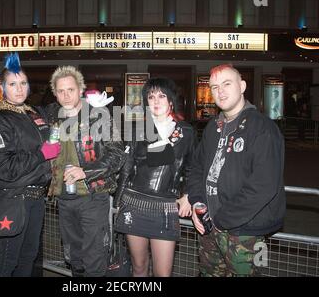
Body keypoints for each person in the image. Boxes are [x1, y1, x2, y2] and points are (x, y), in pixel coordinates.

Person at [187, 64, 285, 277]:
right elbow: (196, 168)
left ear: (242, 86)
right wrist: (197, 204)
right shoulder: (213, 127)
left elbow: (264, 185)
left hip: (247, 232)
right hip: (208, 228)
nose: (219, 91)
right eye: (213, 87)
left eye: (226, 84)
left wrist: (222, 219)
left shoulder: (263, 128)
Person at [0, 52, 61, 276]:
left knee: (28, 258)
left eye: (23, 83)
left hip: (36, 198)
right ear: (3, 88)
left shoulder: (32, 112)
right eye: (13, 84)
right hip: (14, 199)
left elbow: (57, 112)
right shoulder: (0, 120)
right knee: (8, 260)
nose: (19, 88)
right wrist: (41, 154)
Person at [113, 77, 197, 277]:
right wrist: (118, 202)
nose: (156, 101)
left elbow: (193, 168)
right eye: (151, 97)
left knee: (162, 274)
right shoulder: (137, 129)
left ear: (171, 101)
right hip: (134, 203)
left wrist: (188, 195)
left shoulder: (185, 131)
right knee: (139, 267)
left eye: (161, 96)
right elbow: (127, 167)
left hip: (165, 206)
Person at [46, 65, 125, 277]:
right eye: (60, 91)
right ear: (55, 93)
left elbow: (117, 155)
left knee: (94, 258)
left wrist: (85, 172)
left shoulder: (100, 117)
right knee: (74, 259)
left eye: (70, 89)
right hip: (63, 199)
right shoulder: (52, 116)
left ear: (80, 89)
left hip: (93, 196)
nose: (66, 95)